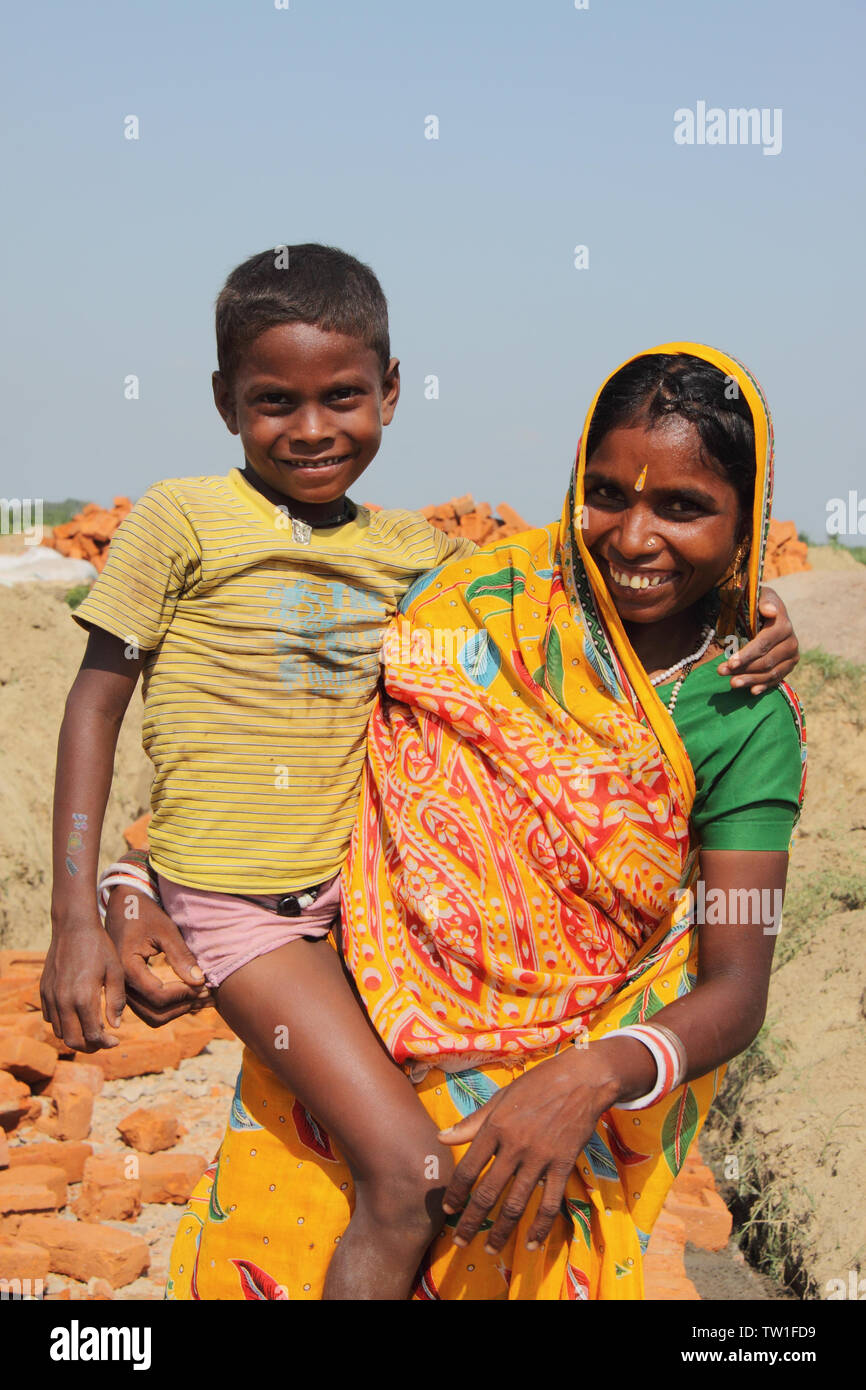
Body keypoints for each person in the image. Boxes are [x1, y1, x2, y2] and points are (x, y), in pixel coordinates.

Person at [103, 341, 805, 1300]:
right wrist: (130, 876)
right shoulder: (474, 606)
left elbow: (737, 985)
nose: (634, 538)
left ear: (747, 520)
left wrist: (588, 1079)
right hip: (353, 1057)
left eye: (683, 507)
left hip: (538, 1125)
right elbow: (273, 733)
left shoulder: (746, 712)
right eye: (607, 494)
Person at [42, 244, 488, 1300]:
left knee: (424, 1155)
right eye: (271, 402)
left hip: (369, 906)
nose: (311, 429)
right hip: (244, 909)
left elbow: (556, 622)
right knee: (411, 1173)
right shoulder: (182, 518)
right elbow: (94, 703)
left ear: (390, 389)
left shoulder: (412, 549)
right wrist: (78, 907)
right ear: (222, 402)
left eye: (342, 396)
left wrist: (746, 606)